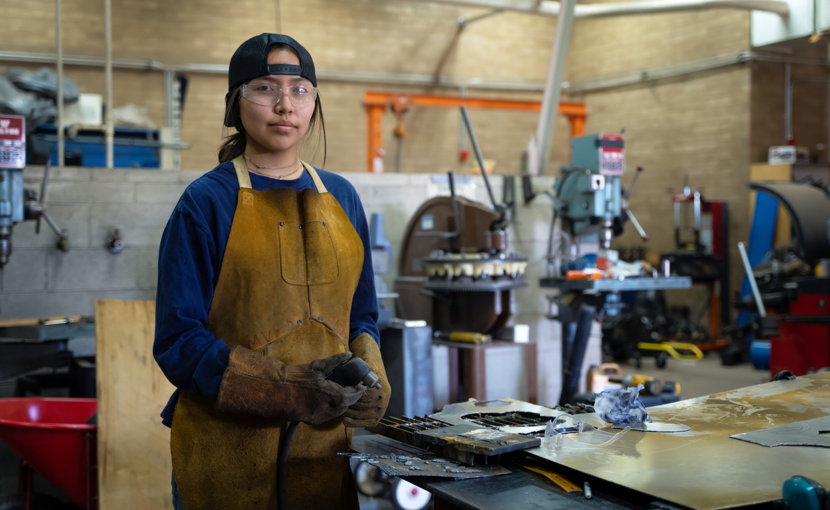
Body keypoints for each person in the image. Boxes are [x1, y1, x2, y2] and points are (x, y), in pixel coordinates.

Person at [153, 33, 391, 510]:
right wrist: (283, 386)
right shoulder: (206, 202)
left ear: (314, 102)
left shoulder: (342, 198)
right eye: (265, 88)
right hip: (225, 452)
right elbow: (178, 340)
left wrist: (373, 370)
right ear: (235, 104)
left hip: (321, 450)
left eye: (299, 89)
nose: (285, 105)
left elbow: (361, 315)